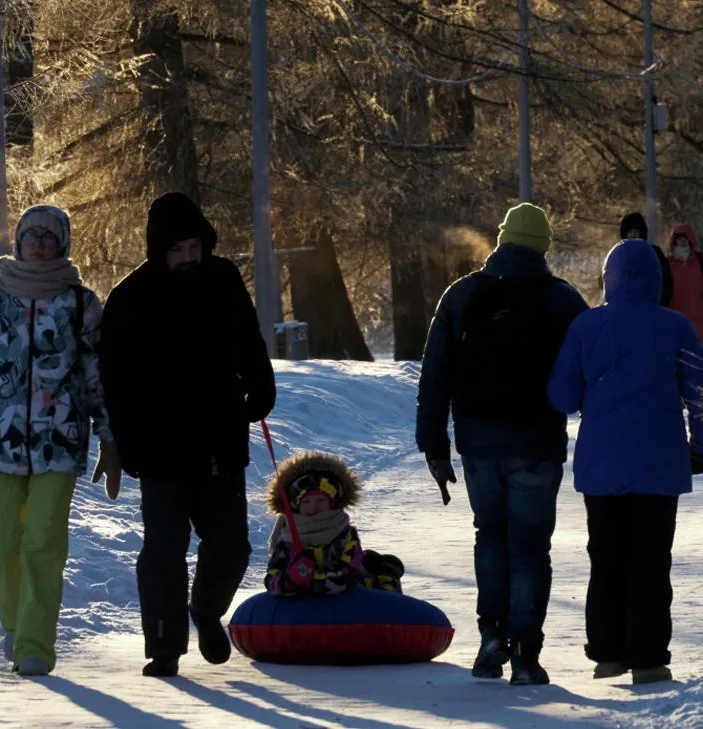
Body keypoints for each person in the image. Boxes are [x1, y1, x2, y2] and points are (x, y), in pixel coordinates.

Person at [97, 191, 276, 678]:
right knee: (163, 550)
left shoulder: (222, 279)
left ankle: (206, 609)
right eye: (177, 251)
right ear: (159, 250)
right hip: (157, 447)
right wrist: (125, 443)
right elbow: (114, 378)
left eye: (194, 248)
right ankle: (165, 647)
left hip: (219, 437)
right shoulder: (130, 297)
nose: (188, 258)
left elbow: (248, 340)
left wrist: (261, 387)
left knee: (231, 545)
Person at [415, 203, 589, 686]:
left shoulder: (463, 295)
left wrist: (433, 445)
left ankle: (491, 636)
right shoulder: (562, 299)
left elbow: (435, 374)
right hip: (537, 441)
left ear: (501, 240)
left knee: (490, 535)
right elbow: (591, 370)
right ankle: (527, 655)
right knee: (531, 546)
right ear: (544, 248)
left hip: (478, 441)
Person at [0, 204, 108, 677]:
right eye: (30, 235)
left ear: (63, 245)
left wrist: (108, 435)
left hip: (62, 439)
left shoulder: (81, 303)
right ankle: (15, 624)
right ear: (17, 241)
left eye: (48, 237)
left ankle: (34, 644)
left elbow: (99, 376)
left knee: (43, 540)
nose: (38, 243)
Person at [547, 238, 703, 685]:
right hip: (659, 463)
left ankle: (607, 653)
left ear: (608, 279)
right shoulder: (676, 328)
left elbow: (561, 396)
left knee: (605, 558)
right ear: (658, 280)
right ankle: (647, 658)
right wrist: (702, 447)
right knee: (650, 560)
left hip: (601, 467)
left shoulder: (586, 328)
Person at [264, 452, 405, 597]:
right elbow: (271, 578)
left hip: (345, 596)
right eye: (306, 502)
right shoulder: (287, 539)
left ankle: (386, 574)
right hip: (301, 602)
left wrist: (311, 583)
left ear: (332, 502)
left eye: (320, 500)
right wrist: (289, 581)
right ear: (295, 505)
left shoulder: (344, 535)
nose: (313, 507)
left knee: (377, 590)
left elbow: (349, 573)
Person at [667, 223, 703, 343]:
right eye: (679, 239)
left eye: (685, 239)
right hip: (673, 319)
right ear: (674, 241)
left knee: (695, 356)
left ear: (690, 240)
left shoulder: (701, 261)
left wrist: (702, 304)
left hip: (696, 320)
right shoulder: (668, 263)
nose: (682, 242)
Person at [619, 211, 672, 307]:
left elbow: (666, 283)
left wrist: (659, 306)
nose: (633, 235)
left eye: (636, 231)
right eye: (630, 231)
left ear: (642, 232)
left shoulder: (654, 252)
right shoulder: (618, 253)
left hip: (650, 308)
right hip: (625, 309)